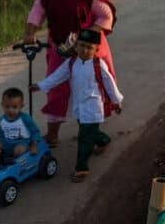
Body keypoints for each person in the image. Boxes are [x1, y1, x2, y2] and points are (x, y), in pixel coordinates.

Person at [24, 0, 117, 147]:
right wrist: (30, 32)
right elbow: (37, 9)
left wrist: (87, 34)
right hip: (59, 47)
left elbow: (106, 15)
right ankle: (52, 135)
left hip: (85, 51)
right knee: (56, 88)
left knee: (88, 90)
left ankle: (93, 136)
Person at [30, 30, 123, 183]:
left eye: (89, 47)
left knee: (84, 137)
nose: (84, 50)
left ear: (96, 49)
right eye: (81, 46)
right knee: (89, 131)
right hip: (79, 107)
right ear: (76, 45)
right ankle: (103, 140)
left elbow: (109, 83)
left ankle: (81, 168)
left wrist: (116, 101)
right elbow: (57, 76)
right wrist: (40, 86)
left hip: (93, 108)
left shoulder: (98, 65)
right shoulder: (72, 63)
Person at [0, 88, 40, 158]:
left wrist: (34, 144)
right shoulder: (2, 120)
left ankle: (15, 164)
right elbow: (0, 135)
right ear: (2, 105)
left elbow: (35, 132)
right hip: (6, 142)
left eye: (15, 107)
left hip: (21, 142)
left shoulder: (25, 118)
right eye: (7, 107)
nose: (10, 110)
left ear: (21, 107)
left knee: (19, 150)